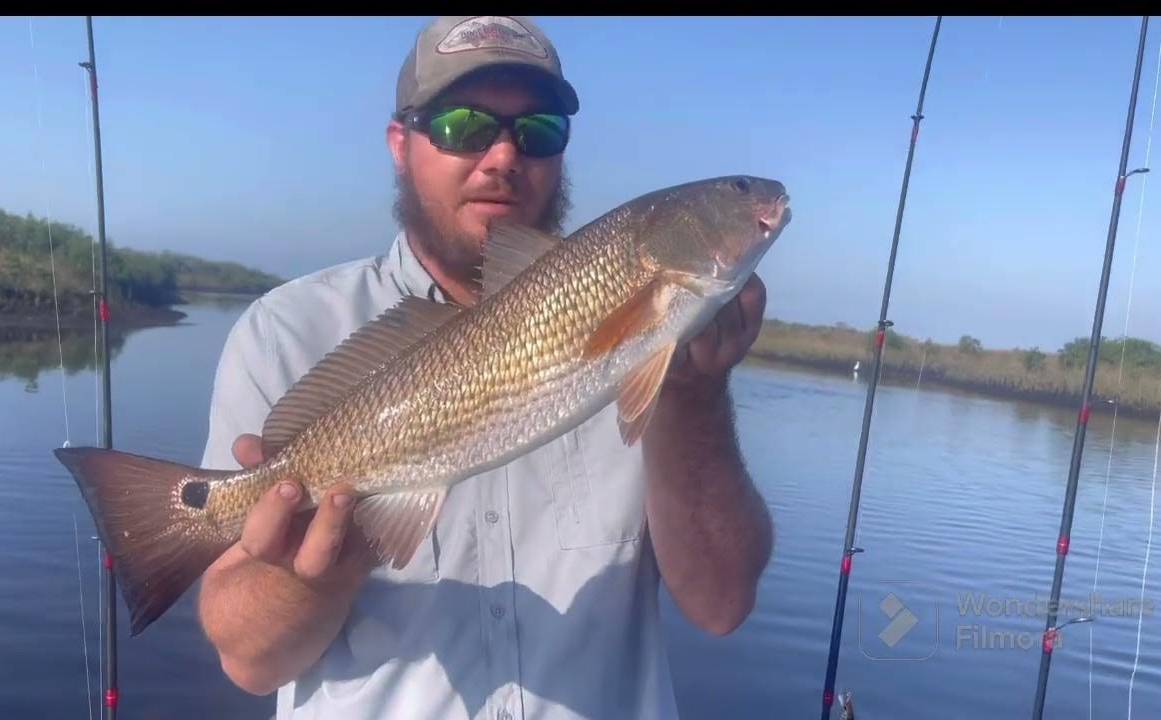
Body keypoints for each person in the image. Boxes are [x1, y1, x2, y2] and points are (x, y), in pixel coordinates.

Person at [196, 15, 774, 720]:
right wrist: (312, 578)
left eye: (537, 132)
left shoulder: (668, 346)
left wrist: (698, 394)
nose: (502, 156)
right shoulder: (287, 331)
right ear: (399, 143)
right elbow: (249, 662)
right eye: (463, 125)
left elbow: (720, 607)